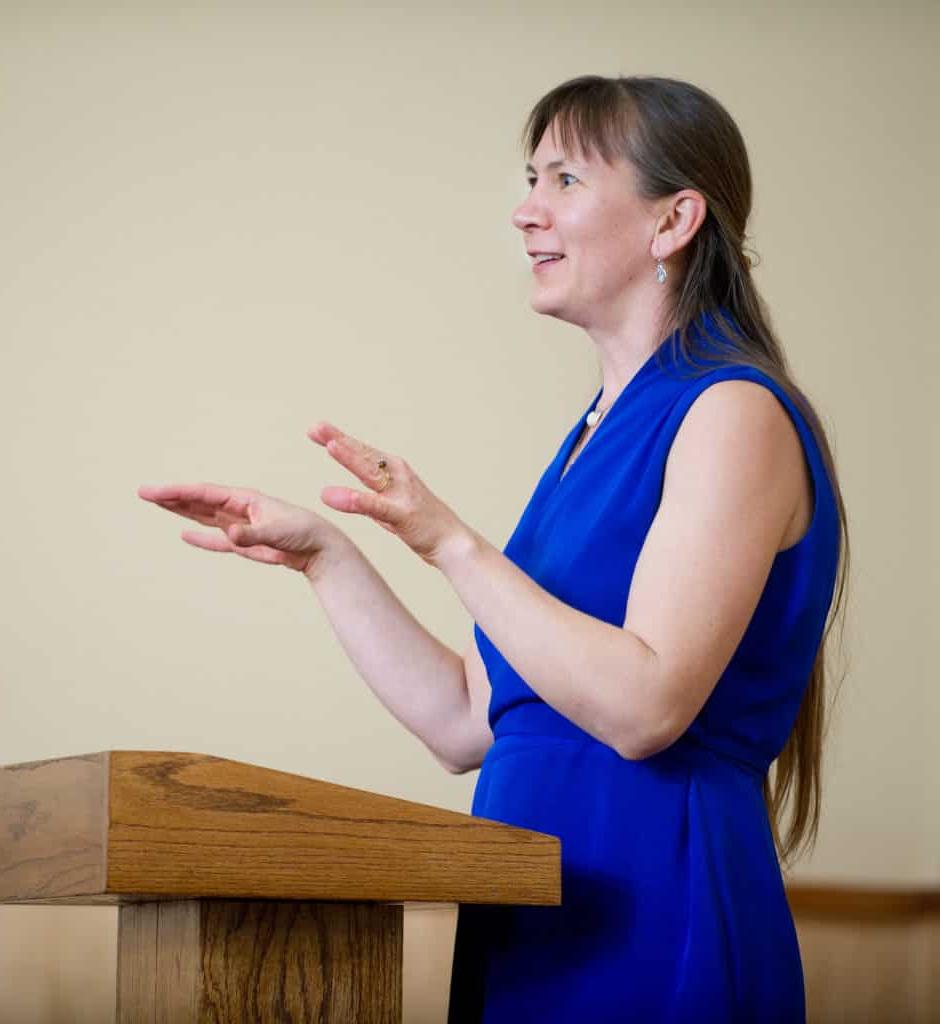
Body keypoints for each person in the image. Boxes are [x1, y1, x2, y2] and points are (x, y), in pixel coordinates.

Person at [139, 74, 849, 1024]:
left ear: (674, 219)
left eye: (564, 180)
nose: (525, 212)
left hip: (658, 901)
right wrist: (327, 556)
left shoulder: (732, 413)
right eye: (530, 179)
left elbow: (643, 708)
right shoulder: (592, 436)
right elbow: (468, 719)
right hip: (535, 908)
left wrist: (449, 542)